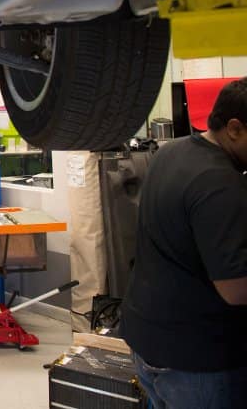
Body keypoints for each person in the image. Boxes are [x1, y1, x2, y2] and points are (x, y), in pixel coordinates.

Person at [121, 77, 247, 408]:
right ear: (234, 128)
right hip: (195, 363)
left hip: (147, 340)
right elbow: (235, 289)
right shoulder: (221, 183)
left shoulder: (173, 151)